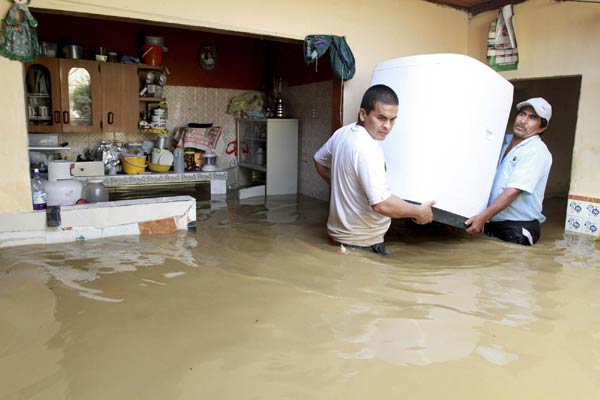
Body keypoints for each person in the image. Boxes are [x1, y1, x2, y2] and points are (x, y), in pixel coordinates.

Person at [313, 84, 435, 255]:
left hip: (340, 239)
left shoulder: (342, 133)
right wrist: (419, 212)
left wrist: (343, 188)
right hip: (361, 245)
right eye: (381, 118)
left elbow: (318, 161)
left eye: (392, 119)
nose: (387, 126)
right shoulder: (368, 148)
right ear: (363, 114)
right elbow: (381, 204)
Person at [465, 97, 553, 245]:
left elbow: (513, 190)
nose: (523, 121)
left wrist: (482, 217)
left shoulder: (536, 151)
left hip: (517, 228)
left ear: (541, 127)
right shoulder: (501, 141)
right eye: (522, 114)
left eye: (532, 118)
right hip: (492, 221)